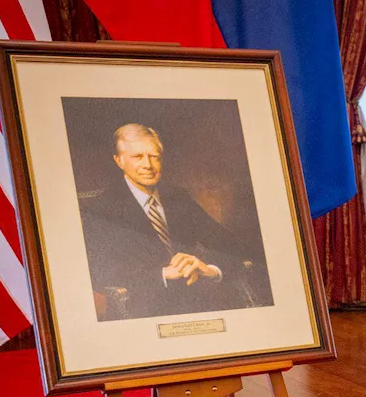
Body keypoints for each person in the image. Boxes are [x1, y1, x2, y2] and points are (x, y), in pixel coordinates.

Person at [79, 123, 248, 321]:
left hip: (196, 306)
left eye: (154, 157)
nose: (148, 165)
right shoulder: (100, 208)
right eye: (137, 157)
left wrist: (209, 269)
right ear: (119, 161)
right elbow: (98, 272)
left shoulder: (178, 198)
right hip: (137, 314)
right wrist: (163, 274)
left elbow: (232, 246)